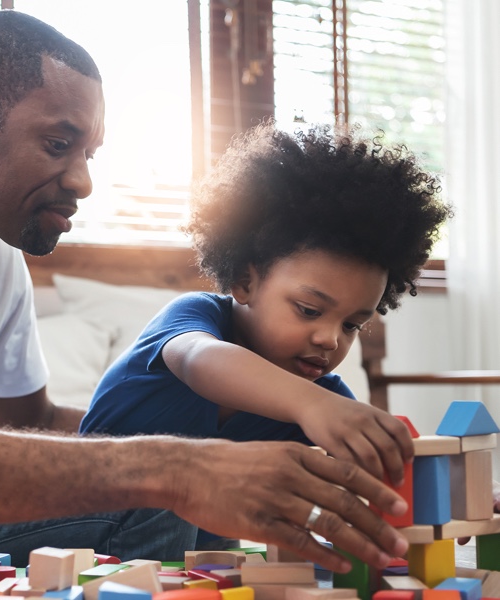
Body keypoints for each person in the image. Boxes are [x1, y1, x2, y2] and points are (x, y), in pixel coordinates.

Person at [0, 11, 410, 600]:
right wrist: (179, 465)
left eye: (89, 153)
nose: (82, 179)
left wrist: (201, 452)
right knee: (159, 480)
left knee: (148, 509)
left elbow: (32, 424)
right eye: (59, 144)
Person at [80, 122, 451, 548]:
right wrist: (312, 406)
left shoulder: (321, 399)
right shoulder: (197, 319)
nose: (331, 339)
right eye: (309, 310)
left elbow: (384, 474)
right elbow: (200, 360)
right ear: (244, 281)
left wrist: (451, 500)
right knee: (167, 496)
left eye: (352, 325)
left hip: (198, 575)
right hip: (81, 523)